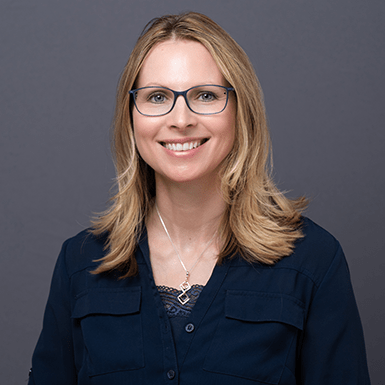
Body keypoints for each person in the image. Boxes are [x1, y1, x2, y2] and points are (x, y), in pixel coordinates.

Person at [28, 12, 371, 385]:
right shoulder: (80, 263)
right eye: (157, 96)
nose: (181, 119)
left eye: (205, 95)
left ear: (242, 112)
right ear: (131, 117)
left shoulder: (314, 262)